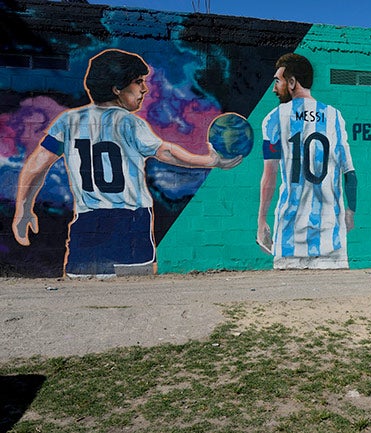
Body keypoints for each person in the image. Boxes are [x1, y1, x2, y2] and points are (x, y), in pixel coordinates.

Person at [13, 49, 242, 277]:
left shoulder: (68, 121)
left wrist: (24, 208)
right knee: (135, 297)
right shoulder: (130, 124)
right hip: (130, 222)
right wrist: (211, 161)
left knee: (81, 296)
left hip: (87, 225)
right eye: (138, 82)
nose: (144, 88)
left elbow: (37, 164)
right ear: (117, 88)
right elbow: (167, 152)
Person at [256, 53, 357, 269]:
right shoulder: (335, 117)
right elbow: (351, 175)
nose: (274, 88)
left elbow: (269, 176)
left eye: (278, 81)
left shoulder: (273, 119)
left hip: (289, 234)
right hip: (331, 234)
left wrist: (261, 219)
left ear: (292, 82)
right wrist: (350, 212)